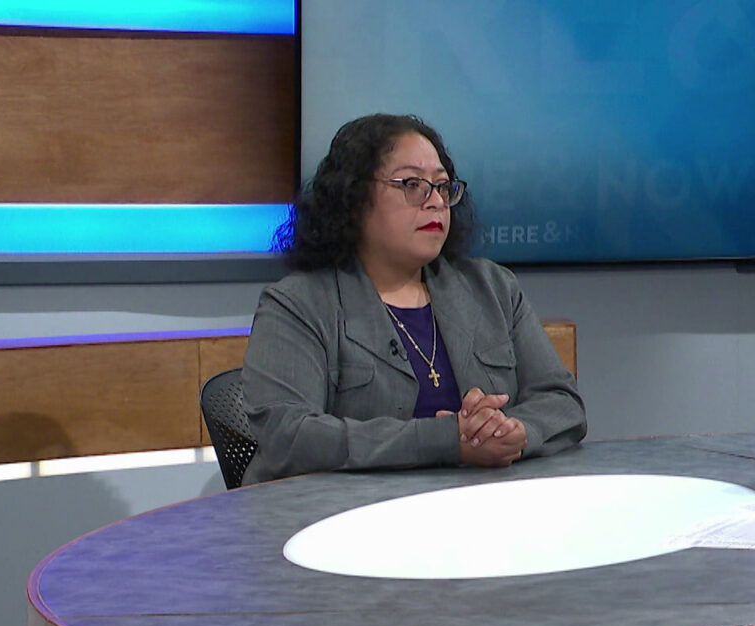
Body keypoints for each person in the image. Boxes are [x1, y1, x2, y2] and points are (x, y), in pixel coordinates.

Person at [241, 114, 585, 485]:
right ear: (353, 199)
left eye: (441, 186)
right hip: (339, 523)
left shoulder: (493, 288)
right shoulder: (298, 303)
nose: (436, 201)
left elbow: (562, 402)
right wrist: (445, 439)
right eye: (412, 185)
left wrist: (515, 433)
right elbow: (287, 435)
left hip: (475, 519)